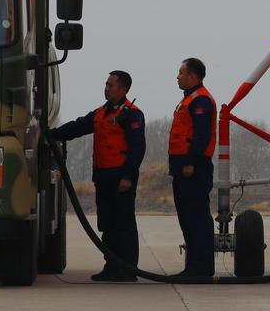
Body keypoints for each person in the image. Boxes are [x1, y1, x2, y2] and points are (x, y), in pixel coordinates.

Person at [50, 70, 145, 282]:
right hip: (103, 177)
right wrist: (51, 134)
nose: (106, 88)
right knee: (108, 224)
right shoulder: (101, 113)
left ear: (123, 89)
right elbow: (77, 126)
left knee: (124, 224)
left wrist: (128, 177)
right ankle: (111, 266)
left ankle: (128, 269)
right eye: (106, 84)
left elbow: (137, 149)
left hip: (121, 178)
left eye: (111, 85)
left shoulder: (132, 114)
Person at [168, 57, 216, 280]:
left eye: (181, 72)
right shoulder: (188, 99)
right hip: (182, 168)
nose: (177, 77)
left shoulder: (201, 100)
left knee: (197, 219)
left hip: (194, 169)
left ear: (193, 76)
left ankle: (201, 269)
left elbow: (200, 136)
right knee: (187, 219)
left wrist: (190, 163)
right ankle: (193, 268)